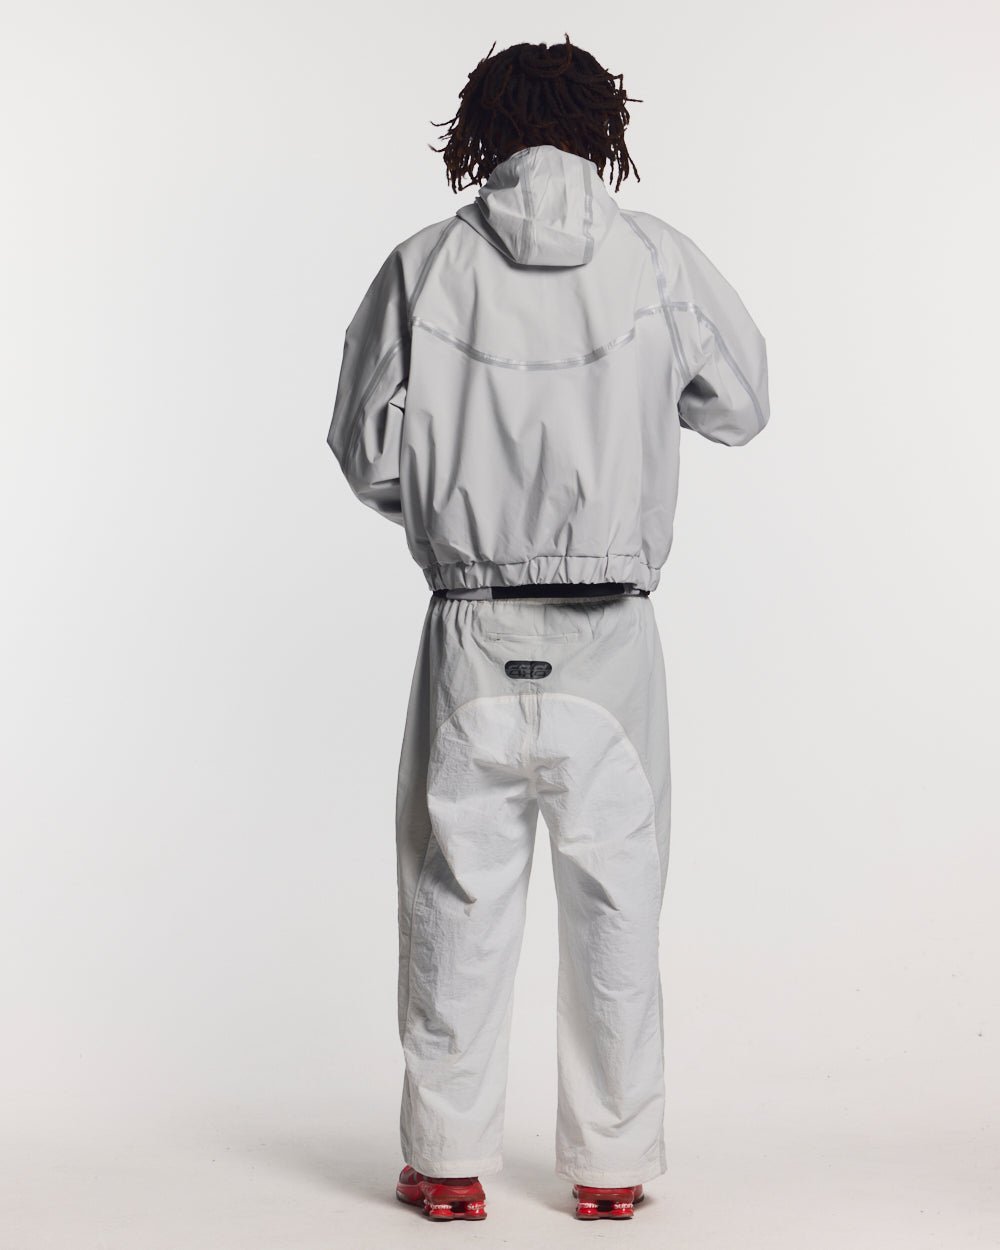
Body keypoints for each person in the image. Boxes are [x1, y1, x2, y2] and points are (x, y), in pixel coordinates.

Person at [327, 34, 770, 1222]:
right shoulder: (655, 259)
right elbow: (742, 403)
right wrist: (632, 411)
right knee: (617, 901)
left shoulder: (424, 267)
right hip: (611, 636)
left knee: (455, 899)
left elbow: (363, 449)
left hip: (471, 630)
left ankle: (447, 1161)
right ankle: (612, 1168)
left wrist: (454, 504)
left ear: (481, 133)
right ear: (599, 132)